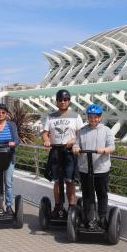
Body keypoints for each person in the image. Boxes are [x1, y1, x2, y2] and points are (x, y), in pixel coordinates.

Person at [42, 89, 83, 217]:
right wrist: (47, 140)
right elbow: (44, 132)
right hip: (55, 151)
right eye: (60, 100)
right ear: (57, 101)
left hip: (69, 152)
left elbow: (81, 133)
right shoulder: (51, 116)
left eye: (65, 99)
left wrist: (73, 140)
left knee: (69, 180)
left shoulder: (76, 116)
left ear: (69, 101)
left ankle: (72, 207)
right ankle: (58, 206)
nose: (63, 102)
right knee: (57, 181)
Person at [72, 104, 115, 228]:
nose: (93, 119)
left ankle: (102, 217)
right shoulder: (82, 131)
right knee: (87, 194)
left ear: (100, 117)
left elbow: (112, 146)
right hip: (85, 169)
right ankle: (88, 218)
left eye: (96, 117)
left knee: (101, 193)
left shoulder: (106, 130)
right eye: (91, 117)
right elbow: (76, 144)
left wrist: (105, 150)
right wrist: (76, 148)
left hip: (101, 169)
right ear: (88, 117)